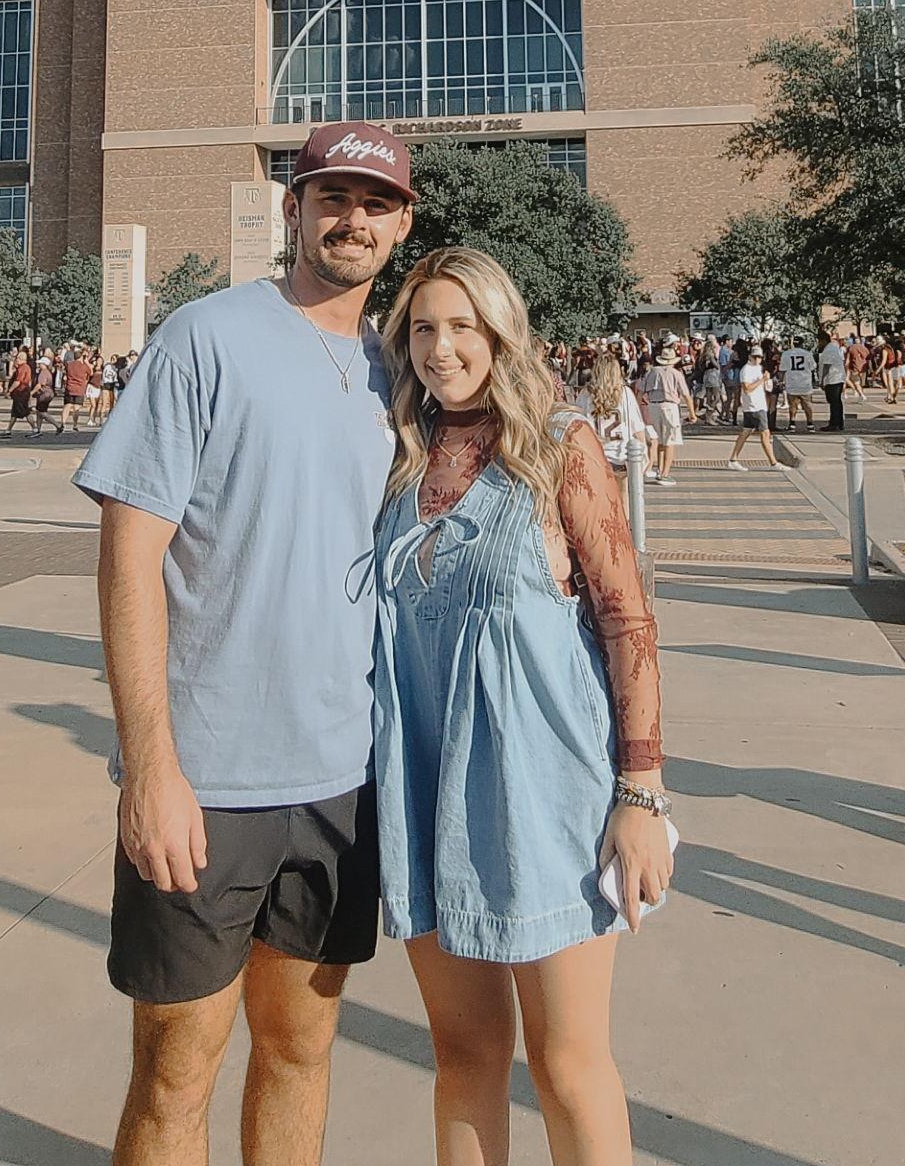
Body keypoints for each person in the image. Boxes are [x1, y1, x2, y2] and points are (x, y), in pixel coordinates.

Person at [72, 121, 418, 1166]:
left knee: (300, 1049)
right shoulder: (205, 336)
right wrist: (151, 765)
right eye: (331, 196)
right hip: (207, 777)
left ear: (402, 224)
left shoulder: (401, 370)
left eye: (375, 202)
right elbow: (130, 555)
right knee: (176, 1072)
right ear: (293, 207)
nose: (351, 218)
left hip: (340, 778)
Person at [372, 246, 670, 1166]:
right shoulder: (400, 457)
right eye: (423, 327)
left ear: (501, 332)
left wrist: (641, 793)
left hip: (546, 798)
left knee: (566, 1063)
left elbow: (626, 616)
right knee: (463, 1056)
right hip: (426, 793)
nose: (441, 347)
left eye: (462, 325)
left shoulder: (556, 442)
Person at [576, 349, 652, 508]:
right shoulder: (625, 393)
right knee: (623, 499)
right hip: (622, 455)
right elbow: (636, 427)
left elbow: (578, 425)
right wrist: (644, 450)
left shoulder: (585, 394)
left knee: (599, 501)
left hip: (596, 456)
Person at [636, 342, 696, 486]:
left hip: (653, 406)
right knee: (670, 440)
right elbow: (686, 395)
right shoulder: (676, 373)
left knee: (660, 440)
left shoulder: (652, 372)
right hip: (669, 406)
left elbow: (641, 392)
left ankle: (659, 469)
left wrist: (638, 409)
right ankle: (665, 474)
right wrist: (692, 413)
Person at [725, 340, 779, 470]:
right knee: (765, 433)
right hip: (754, 406)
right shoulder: (746, 370)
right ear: (750, 356)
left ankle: (733, 459)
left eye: (759, 357)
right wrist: (762, 380)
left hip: (758, 404)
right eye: (755, 357)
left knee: (746, 431)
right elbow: (747, 388)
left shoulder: (759, 368)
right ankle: (773, 463)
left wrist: (767, 382)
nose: (757, 359)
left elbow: (762, 386)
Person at [779, 336, 817, 433]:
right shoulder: (807, 354)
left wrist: (781, 381)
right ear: (802, 343)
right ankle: (810, 424)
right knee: (807, 404)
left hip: (792, 382)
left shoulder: (786, 354)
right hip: (805, 383)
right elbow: (813, 367)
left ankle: (792, 424)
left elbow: (782, 369)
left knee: (792, 405)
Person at [816, 329, 848, 433]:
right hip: (837, 378)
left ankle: (834, 423)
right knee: (837, 402)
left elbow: (827, 366)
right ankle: (838, 423)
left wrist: (821, 380)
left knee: (834, 402)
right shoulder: (834, 348)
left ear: (823, 340)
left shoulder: (829, 350)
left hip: (832, 378)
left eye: (819, 341)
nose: (819, 344)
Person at [60, 344, 95, 433]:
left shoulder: (69, 365)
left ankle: (63, 423)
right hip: (79, 389)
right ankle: (75, 425)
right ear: (81, 357)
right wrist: (86, 361)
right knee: (76, 408)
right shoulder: (83, 366)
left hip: (69, 388)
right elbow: (91, 373)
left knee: (67, 406)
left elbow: (65, 372)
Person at [3, 347, 33, 434]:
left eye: (17, 358)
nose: (16, 360)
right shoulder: (26, 367)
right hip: (23, 392)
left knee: (25, 411)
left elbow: (18, 381)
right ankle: (8, 429)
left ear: (20, 359)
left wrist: (10, 390)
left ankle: (34, 428)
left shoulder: (23, 368)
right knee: (15, 412)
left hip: (21, 392)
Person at [32, 349, 58, 434]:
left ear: (44, 364)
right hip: (48, 394)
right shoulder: (48, 372)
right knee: (39, 412)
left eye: (40, 363)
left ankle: (57, 425)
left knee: (42, 412)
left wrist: (31, 392)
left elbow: (40, 384)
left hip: (44, 394)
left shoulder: (43, 372)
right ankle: (38, 429)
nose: (39, 365)